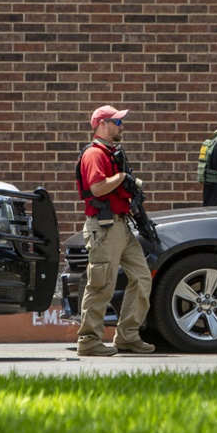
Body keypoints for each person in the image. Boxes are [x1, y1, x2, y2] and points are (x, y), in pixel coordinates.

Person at [73, 105, 155, 357]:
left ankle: (128, 336)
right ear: (102, 124)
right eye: (117, 122)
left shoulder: (111, 153)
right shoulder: (94, 154)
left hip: (121, 226)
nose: (122, 126)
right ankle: (88, 341)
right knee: (101, 285)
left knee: (142, 278)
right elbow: (97, 188)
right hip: (104, 228)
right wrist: (122, 178)